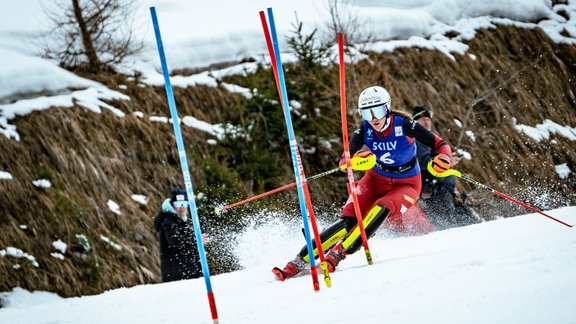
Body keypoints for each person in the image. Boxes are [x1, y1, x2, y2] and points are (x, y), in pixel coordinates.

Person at [272, 86, 453, 281]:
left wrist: (444, 158)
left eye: (379, 111)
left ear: (388, 108)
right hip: (375, 179)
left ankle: (338, 253)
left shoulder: (406, 124)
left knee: (381, 208)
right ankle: (299, 261)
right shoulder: (364, 130)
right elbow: (344, 160)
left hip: (407, 184)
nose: (374, 118)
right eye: (367, 113)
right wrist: (355, 160)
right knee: (348, 222)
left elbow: (440, 144)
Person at [412, 105, 481, 230]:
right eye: (422, 119)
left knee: (465, 220)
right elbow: (423, 162)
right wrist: (446, 163)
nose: (426, 121)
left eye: (428, 119)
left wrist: (446, 158)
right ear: (414, 122)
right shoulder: (417, 139)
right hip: (433, 188)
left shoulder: (428, 139)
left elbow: (432, 157)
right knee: (449, 224)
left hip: (443, 187)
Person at [154, 187, 202, 282]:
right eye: (178, 204)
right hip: (178, 275)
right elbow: (175, 241)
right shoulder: (168, 221)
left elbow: (187, 241)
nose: (182, 207)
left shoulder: (180, 222)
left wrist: (199, 240)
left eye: (185, 204)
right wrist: (196, 240)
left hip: (187, 272)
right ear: (172, 205)